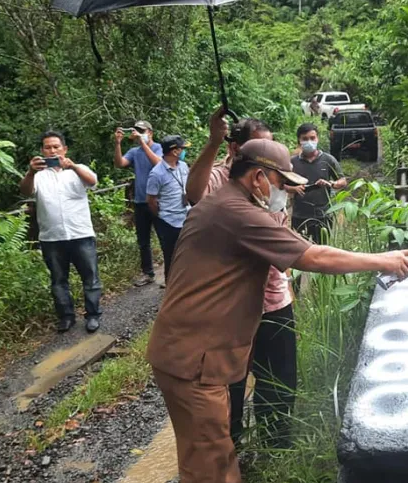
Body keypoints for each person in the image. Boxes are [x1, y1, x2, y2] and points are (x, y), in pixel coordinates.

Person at [147, 138, 408, 483]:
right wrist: (383, 260)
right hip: (193, 358)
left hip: (192, 352)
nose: (284, 190)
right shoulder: (237, 213)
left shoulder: (222, 203)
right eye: (280, 182)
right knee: (204, 464)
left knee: (219, 446)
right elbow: (313, 258)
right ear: (258, 177)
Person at [185, 109, 295, 449]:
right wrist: (213, 141)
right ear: (237, 152)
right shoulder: (220, 181)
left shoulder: (276, 181)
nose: (269, 161)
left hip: (274, 299)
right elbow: (193, 193)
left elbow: (283, 225)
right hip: (231, 308)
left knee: (280, 378)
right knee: (229, 380)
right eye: (260, 150)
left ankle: (277, 446)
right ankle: (229, 452)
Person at [20, 131, 102, 333]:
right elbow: (25, 191)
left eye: (56, 146)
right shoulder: (38, 175)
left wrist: (72, 166)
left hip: (80, 233)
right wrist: (30, 172)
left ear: (64, 149)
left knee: (90, 278)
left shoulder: (78, 169)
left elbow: (92, 182)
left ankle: (93, 315)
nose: (52, 150)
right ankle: (66, 317)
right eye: (48, 147)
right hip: (52, 237)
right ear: (42, 151)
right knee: (58, 280)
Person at [114, 120, 163, 287]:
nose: (139, 133)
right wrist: (118, 143)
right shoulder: (134, 152)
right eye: (137, 131)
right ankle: (147, 273)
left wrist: (143, 143)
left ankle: (171, 274)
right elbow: (120, 163)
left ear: (150, 133)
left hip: (158, 201)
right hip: (140, 202)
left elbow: (159, 164)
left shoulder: (158, 148)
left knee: (165, 237)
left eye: (142, 131)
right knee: (143, 240)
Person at [287, 122, 348, 243]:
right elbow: (280, 184)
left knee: (322, 249)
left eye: (312, 138)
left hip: (323, 215)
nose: (309, 141)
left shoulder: (328, 159)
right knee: (300, 250)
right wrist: (294, 189)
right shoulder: (292, 162)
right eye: (305, 139)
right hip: (300, 215)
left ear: (317, 138)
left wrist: (330, 184)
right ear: (299, 141)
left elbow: (343, 181)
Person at [146, 135, 191, 286]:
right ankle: (171, 292)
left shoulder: (184, 166)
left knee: (188, 256)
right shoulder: (156, 173)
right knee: (171, 258)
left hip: (186, 218)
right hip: (168, 222)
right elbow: (151, 200)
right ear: (174, 151)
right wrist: (161, 216)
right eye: (182, 149)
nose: (184, 151)